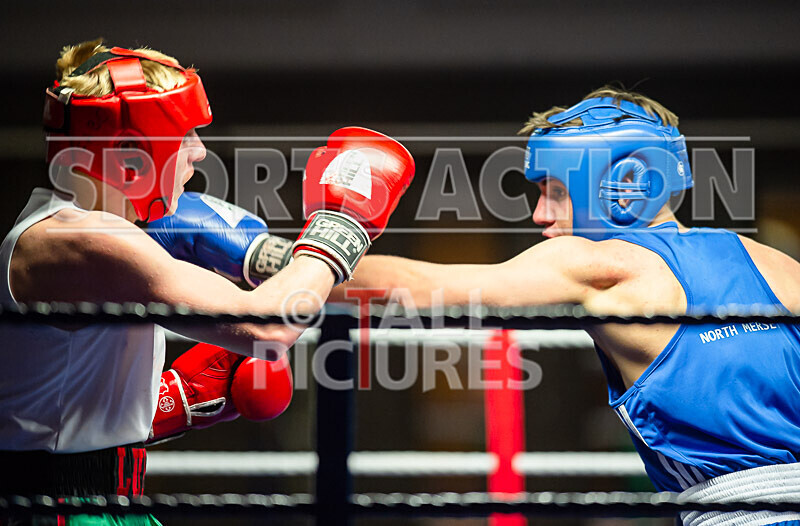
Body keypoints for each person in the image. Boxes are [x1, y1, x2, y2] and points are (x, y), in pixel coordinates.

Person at [172, 85, 800, 525]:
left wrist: (261, 253)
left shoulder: (599, 262)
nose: (539, 214)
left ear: (620, 186)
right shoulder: (771, 262)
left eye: (555, 191)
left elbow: (412, 290)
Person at [0, 38, 414, 524]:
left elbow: (47, 404)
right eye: (184, 134)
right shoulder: (82, 240)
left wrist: (178, 399)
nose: (198, 153)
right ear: (130, 149)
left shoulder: (73, 228)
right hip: (61, 510)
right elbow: (268, 328)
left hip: (87, 498)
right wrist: (341, 225)